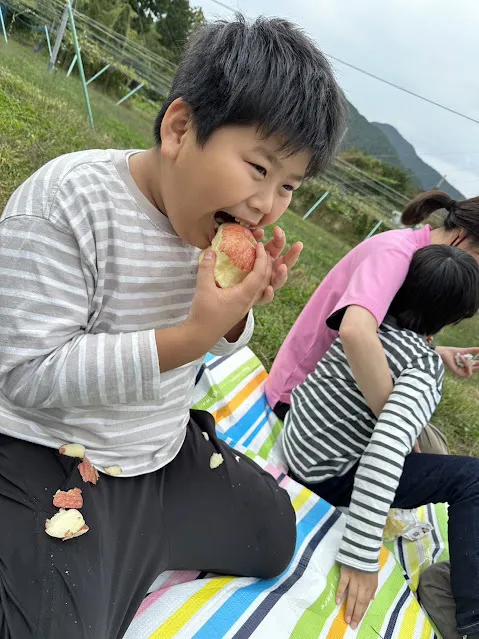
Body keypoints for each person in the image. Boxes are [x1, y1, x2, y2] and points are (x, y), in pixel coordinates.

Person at [0, 16, 347, 639]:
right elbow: (25, 375)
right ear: (181, 129)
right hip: (51, 449)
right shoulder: (68, 202)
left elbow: (206, 341)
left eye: (290, 185)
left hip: (158, 451)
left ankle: (137, 548)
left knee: (274, 535)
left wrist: (234, 314)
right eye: (259, 168)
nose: (268, 204)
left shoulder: (207, 227)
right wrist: (187, 337)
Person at [282, 244, 479, 638]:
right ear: (454, 318)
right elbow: (386, 451)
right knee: (473, 478)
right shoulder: (421, 368)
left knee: (431, 446)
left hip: (300, 447)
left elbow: (398, 353)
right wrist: (360, 555)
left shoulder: (369, 327)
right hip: (330, 474)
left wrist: (437, 354)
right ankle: (473, 620)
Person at [266, 190, 479, 454]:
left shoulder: (415, 255)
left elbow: (380, 334)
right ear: (462, 237)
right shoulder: (394, 254)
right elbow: (356, 331)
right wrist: (395, 433)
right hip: (302, 398)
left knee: (436, 447)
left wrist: (438, 352)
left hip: (338, 390)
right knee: (435, 461)